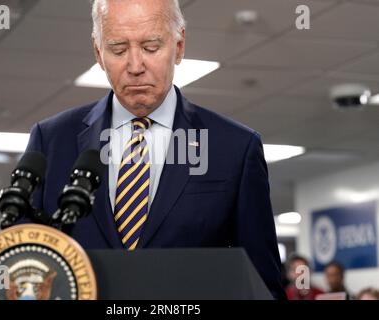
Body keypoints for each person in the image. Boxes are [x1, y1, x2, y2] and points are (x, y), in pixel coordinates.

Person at [25, 0, 285, 299]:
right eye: (118, 49)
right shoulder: (51, 140)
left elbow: (262, 286)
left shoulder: (236, 148)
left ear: (179, 45)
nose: (135, 67)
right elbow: (22, 266)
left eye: (151, 47)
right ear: (98, 53)